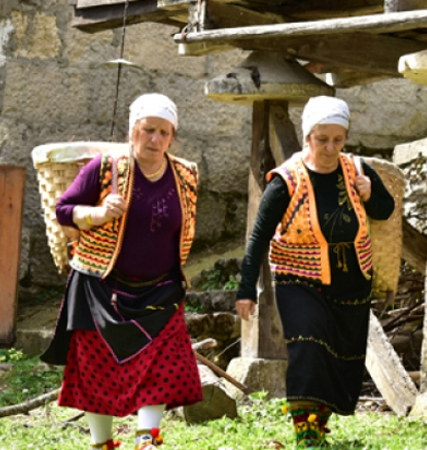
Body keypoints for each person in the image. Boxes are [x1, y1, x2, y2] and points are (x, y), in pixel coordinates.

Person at [40, 93, 202, 450]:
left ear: (172, 137)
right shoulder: (105, 169)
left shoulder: (185, 176)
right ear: (132, 131)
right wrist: (97, 213)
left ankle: (146, 441)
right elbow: (63, 210)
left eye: (163, 132)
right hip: (100, 287)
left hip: (161, 289)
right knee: (96, 371)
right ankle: (103, 444)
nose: (155, 139)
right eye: (148, 130)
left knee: (162, 368)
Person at [235, 96, 395, 448]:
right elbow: (259, 236)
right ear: (307, 136)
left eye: (338, 139)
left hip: (352, 282)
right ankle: (306, 434)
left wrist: (370, 194)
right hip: (298, 279)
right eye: (322, 139)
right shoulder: (287, 180)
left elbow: (385, 210)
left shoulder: (356, 169)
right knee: (308, 348)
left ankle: (318, 427)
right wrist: (246, 289)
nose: (330, 148)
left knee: (339, 357)